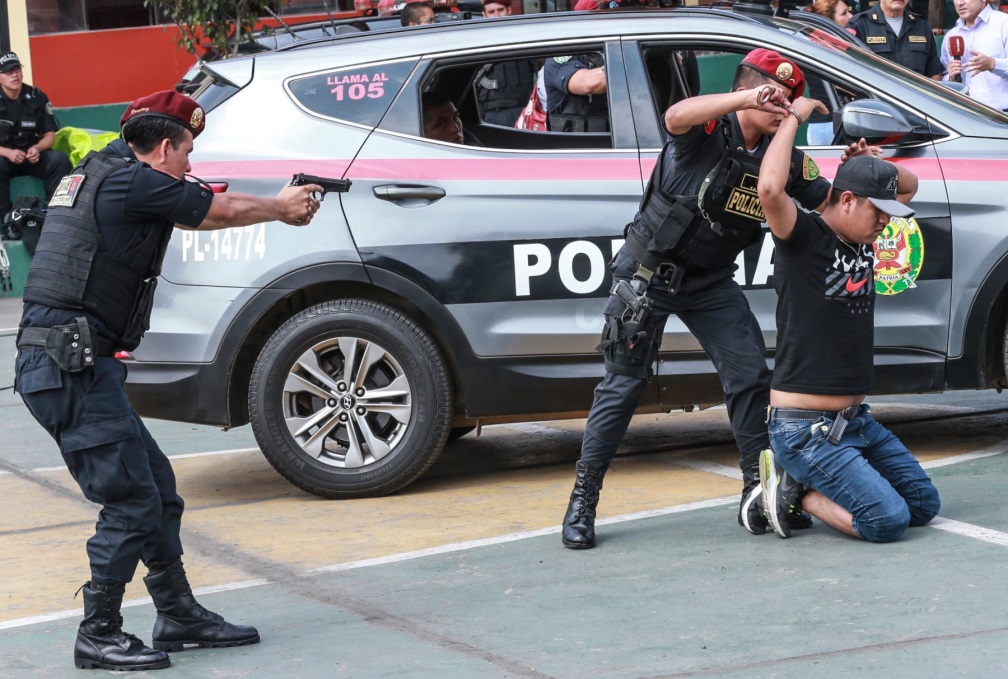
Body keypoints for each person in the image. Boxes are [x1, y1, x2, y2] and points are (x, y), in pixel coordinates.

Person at [13, 90, 322, 671]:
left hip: (71, 363)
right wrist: (281, 208)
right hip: (66, 366)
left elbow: (198, 204)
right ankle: (98, 632)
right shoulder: (134, 180)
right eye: (185, 154)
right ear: (161, 148)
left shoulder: (104, 171)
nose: (189, 166)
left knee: (156, 485)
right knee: (131, 500)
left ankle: (176, 614)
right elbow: (215, 212)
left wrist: (232, 200)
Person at [560, 49, 854, 549]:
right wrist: (742, 99)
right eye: (772, 94)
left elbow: (828, 205)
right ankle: (582, 503)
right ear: (747, 88)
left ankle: (756, 493)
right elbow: (675, 115)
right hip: (651, 273)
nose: (781, 104)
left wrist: (854, 172)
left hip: (711, 282)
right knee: (623, 386)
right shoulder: (706, 131)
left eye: (789, 99)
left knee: (749, 378)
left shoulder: (780, 157)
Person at [757, 93, 940, 542]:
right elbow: (769, 190)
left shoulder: (862, 236)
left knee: (922, 506)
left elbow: (910, 184)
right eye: (878, 211)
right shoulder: (804, 238)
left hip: (857, 421)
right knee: (886, 521)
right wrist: (794, 117)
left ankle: (804, 483)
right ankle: (791, 490)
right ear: (848, 201)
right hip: (805, 430)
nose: (885, 223)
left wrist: (873, 164)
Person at [0, 52, 72, 224]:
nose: (14, 75)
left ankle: (53, 213)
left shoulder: (37, 97)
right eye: (8, 72)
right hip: (6, 158)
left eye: (17, 69)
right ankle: (4, 218)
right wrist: (8, 153)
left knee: (59, 160)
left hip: (33, 157)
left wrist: (37, 148)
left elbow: (50, 136)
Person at [473, 0, 538, 127]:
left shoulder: (524, 40)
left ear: (509, 10)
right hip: (489, 115)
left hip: (522, 112)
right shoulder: (476, 43)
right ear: (484, 14)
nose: (496, 16)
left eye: (500, 10)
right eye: (491, 12)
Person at [849, 0, 944, 79]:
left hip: (915, 99)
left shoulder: (922, 26)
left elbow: (933, 73)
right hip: (876, 100)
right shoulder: (860, 25)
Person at [941, 0, 1008, 111]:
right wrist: (950, 78)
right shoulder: (951, 35)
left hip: (1001, 117)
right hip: (961, 116)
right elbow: (942, 75)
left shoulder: (1004, 23)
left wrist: (993, 64)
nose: (959, 3)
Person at [805, 0, 854, 145]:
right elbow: (845, 83)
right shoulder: (824, 51)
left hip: (827, 124)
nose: (850, 16)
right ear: (829, 22)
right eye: (844, 13)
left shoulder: (813, 45)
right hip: (828, 126)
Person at [543, 53, 608, 132]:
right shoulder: (560, 56)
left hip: (616, 139)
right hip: (572, 142)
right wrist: (623, 66)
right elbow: (588, 83)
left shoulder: (611, 51)